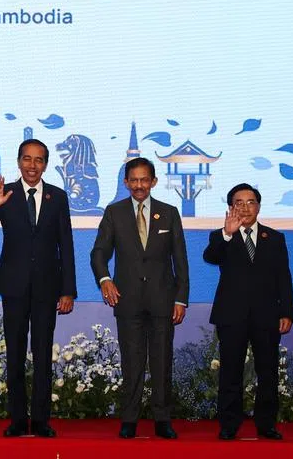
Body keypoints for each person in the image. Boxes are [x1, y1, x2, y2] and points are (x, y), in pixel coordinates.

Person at [0, 138, 75, 438]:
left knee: (43, 354)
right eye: (27, 159)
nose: (33, 166)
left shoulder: (57, 197)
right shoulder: (5, 194)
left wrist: (68, 289)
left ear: (45, 164)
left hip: (48, 287)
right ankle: (18, 419)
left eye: (39, 160)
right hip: (14, 286)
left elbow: (66, 246)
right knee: (15, 354)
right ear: (19, 161)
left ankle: (42, 420)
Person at [90, 157, 189, 439]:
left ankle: (162, 420)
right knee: (131, 362)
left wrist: (180, 299)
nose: (139, 185)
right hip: (127, 300)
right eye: (133, 180)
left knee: (161, 362)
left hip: (162, 301)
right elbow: (99, 252)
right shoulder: (114, 212)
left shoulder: (169, 213)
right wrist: (105, 279)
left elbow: (180, 261)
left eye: (144, 180)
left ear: (154, 182)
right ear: (126, 182)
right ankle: (129, 419)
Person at [203, 184, 293, 440]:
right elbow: (210, 257)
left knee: (268, 372)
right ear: (231, 208)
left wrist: (286, 311)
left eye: (250, 202)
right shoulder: (220, 236)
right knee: (231, 372)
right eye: (238, 203)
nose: (245, 207)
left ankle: (266, 424)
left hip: (267, 315)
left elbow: (283, 277)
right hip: (232, 315)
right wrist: (227, 234)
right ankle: (229, 424)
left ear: (258, 206)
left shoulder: (274, 238)